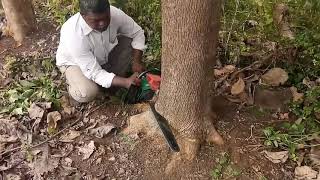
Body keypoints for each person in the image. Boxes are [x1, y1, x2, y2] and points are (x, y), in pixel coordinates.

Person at [56, 0, 145, 103]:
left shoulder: (115, 13)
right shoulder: (73, 34)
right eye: (96, 21)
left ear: (109, 10)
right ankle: (74, 83)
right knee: (87, 92)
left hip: (103, 56)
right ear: (83, 16)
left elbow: (137, 33)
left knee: (130, 41)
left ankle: (110, 82)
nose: (102, 24)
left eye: (106, 18)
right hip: (75, 63)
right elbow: (94, 72)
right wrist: (125, 82)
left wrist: (137, 62)